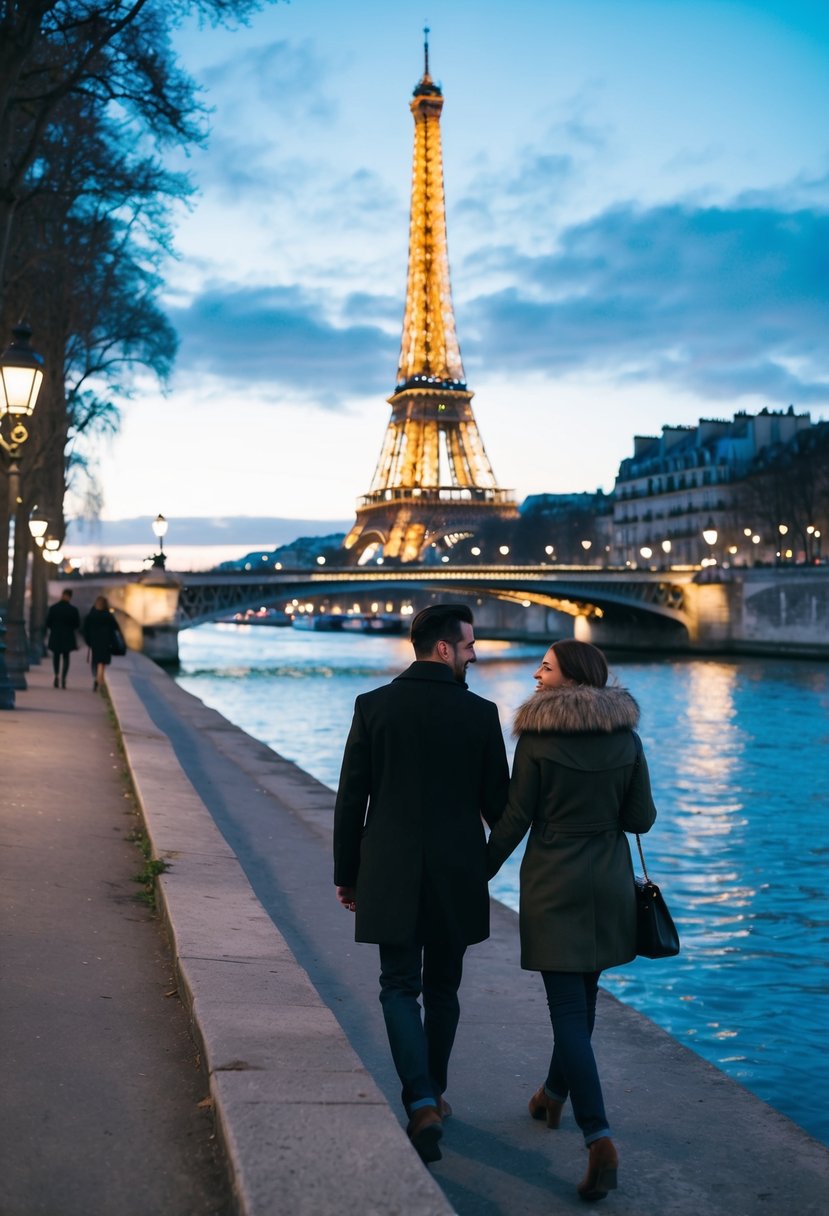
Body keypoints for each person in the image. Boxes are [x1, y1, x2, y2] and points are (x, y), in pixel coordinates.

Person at [333, 603, 509, 1164]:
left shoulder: (373, 707)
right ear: (444, 649)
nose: (474, 654)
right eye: (469, 645)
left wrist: (347, 873)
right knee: (443, 990)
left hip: (389, 868)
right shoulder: (481, 715)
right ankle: (435, 1091)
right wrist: (483, 864)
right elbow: (500, 810)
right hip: (458, 871)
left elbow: (350, 802)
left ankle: (420, 1100)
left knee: (397, 986)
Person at [486, 639, 656, 1203]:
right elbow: (641, 819)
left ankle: (599, 1138)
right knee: (582, 1004)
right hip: (608, 886)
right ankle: (551, 1096)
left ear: (571, 677)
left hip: (554, 884)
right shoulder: (626, 737)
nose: (536, 673)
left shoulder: (536, 740)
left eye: (547, 666)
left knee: (566, 1009)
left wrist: (477, 872)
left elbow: (514, 819)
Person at [82, 595, 121, 692]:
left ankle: (97, 678)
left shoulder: (91, 615)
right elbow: (116, 628)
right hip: (106, 642)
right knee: (102, 662)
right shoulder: (108, 615)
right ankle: (100, 680)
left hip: (94, 642)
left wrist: (88, 641)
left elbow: (84, 629)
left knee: (95, 661)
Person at [45, 588, 81, 688]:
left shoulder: (53, 608)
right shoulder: (73, 610)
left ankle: (56, 676)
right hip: (68, 637)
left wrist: (54, 628)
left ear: (62, 595)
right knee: (66, 657)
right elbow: (77, 625)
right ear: (70, 597)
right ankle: (63, 678)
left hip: (56, 635)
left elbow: (48, 623)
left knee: (56, 656)